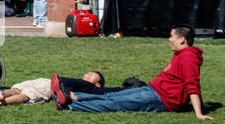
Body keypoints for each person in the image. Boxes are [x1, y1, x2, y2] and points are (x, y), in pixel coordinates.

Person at [67, 26, 212, 119]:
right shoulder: (182, 55)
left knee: (117, 102)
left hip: (162, 98)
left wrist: (199, 113)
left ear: (182, 40)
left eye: (172, 36)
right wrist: (201, 104)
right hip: (153, 90)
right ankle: (73, 97)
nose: (169, 39)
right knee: (113, 95)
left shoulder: (188, 57)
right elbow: (193, 82)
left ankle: (70, 105)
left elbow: (192, 84)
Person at [0, 71, 108, 108]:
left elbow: (108, 91)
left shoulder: (91, 88)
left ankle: (1, 97)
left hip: (49, 85)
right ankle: (0, 97)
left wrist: (123, 88)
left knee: (23, 92)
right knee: (21, 91)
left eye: (92, 75)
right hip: (48, 82)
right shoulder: (83, 83)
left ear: (97, 84)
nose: (88, 73)